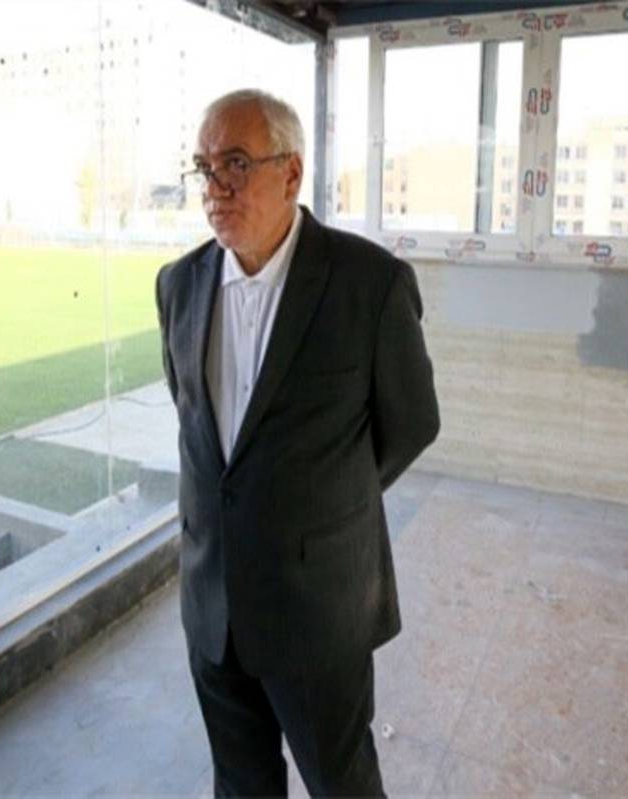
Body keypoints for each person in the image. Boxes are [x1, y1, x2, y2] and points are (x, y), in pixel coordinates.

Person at [155, 88, 439, 797]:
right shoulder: (178, 286)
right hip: (213, 606)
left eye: (236, 163)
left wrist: (321, 502)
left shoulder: (369, 284)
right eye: (205, 167)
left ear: (291, 172)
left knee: (342, 783)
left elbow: (412, 423)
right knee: (241, 784)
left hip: (317, 609)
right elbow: (199, 427)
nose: (215, 187)